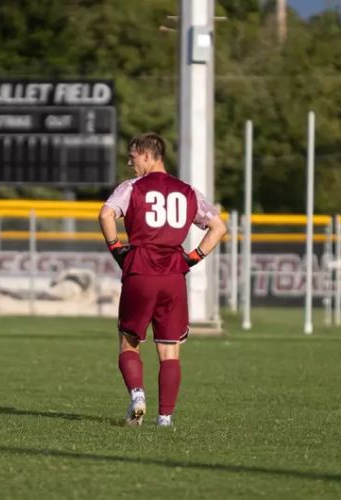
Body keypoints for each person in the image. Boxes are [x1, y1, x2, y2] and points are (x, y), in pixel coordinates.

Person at [98, 132, 227, 427]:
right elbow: (218, 227)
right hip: (173, 274)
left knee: (129, 342)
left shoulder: (132, 188)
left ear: (146, 154)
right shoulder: (189, 191)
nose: (130, 163)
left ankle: (138, 396)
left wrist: (117, 249)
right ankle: (165, 418)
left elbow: (106, 214)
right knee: (170, 350)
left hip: (140, 270)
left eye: (132, 157)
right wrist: (193, 257)